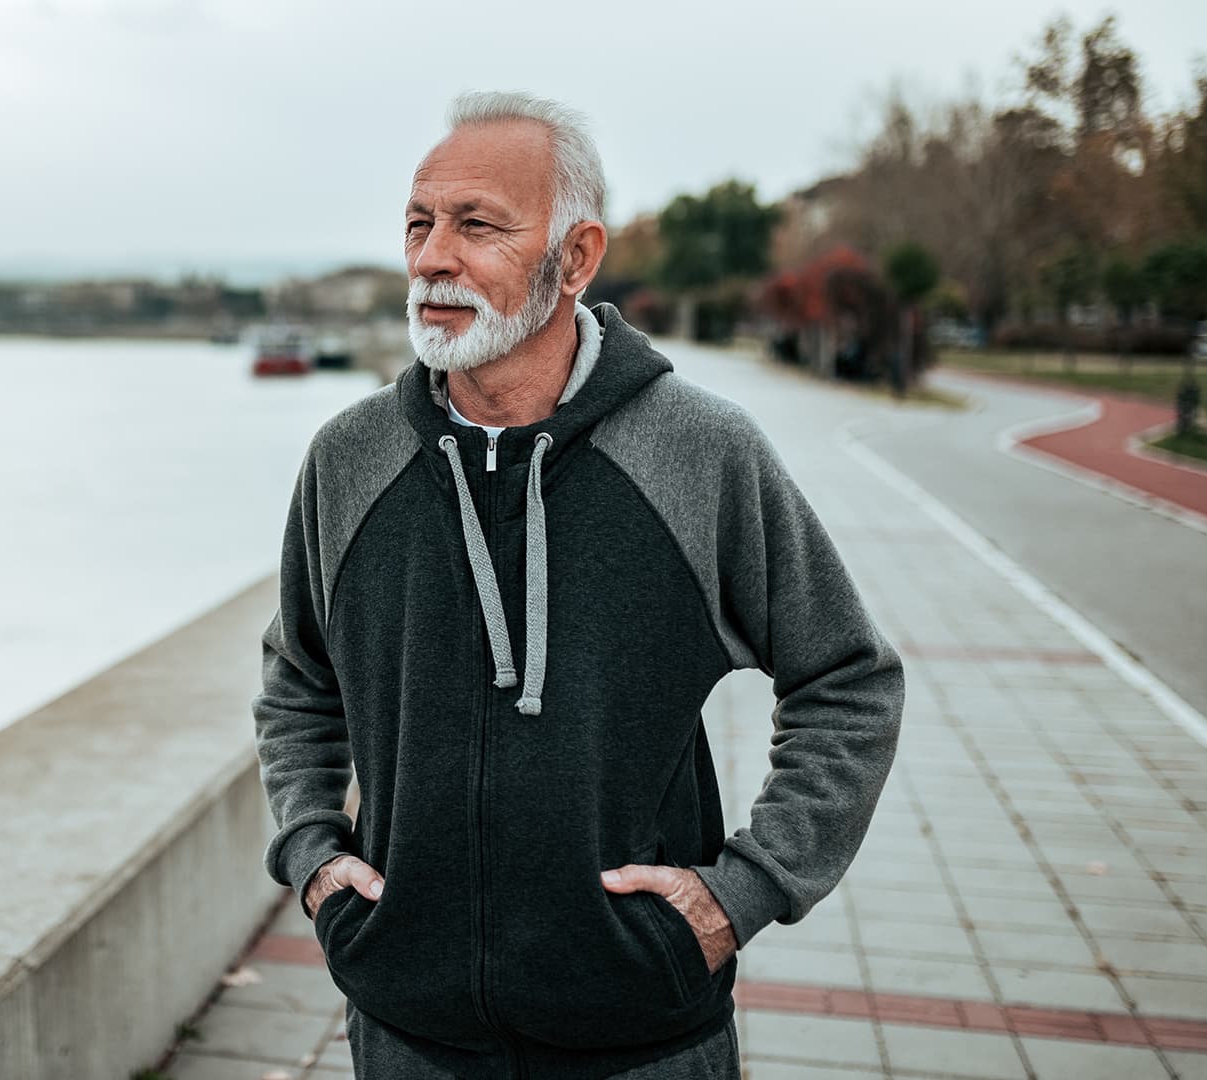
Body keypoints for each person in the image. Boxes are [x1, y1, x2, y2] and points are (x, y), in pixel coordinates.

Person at [250, 90, 906, 1079]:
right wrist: (313, 857)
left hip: (640, 1036)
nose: (432, 256)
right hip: (405, 1032)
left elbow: (847, 679)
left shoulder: (700, 453)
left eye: (477, 226)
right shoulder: (350, 459)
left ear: (577, 258)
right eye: (419, 224)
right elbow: (298, 681)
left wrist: (746, 889)